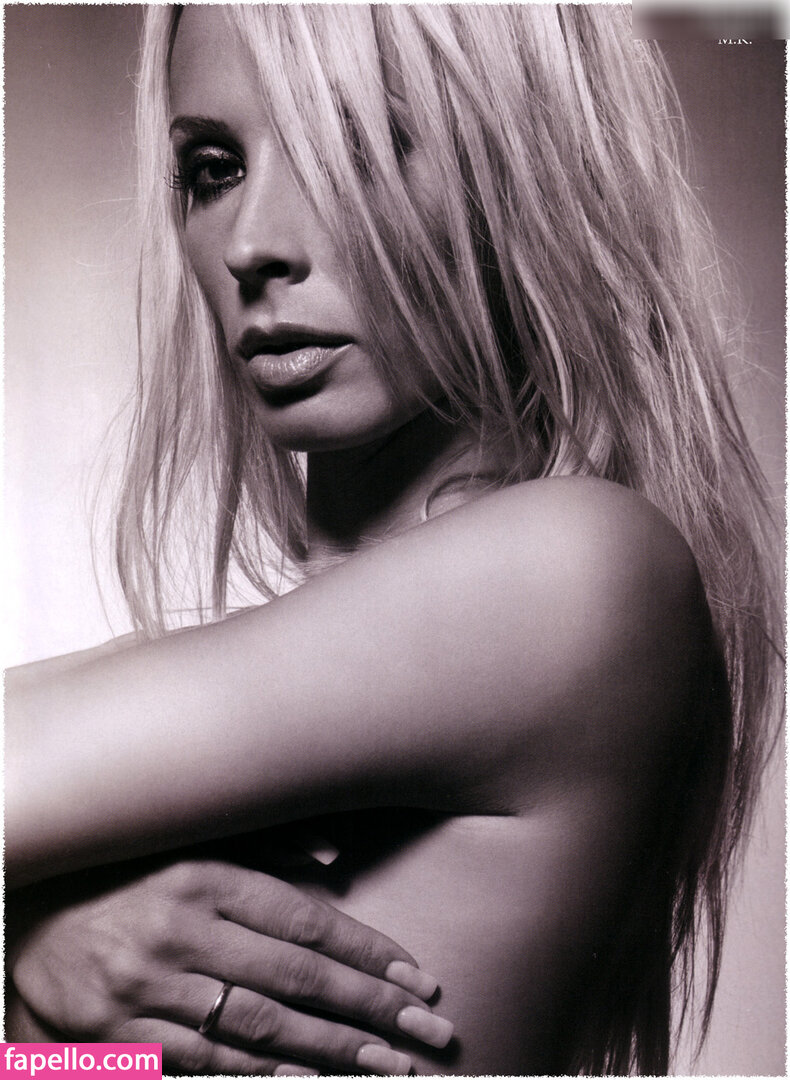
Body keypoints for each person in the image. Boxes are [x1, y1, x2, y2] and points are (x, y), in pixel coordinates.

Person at [4, 4, 782, 1076]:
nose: (252, 245)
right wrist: (24, 985)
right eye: (215, 169)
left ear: (521, 165)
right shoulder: (304, 676)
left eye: (352, 147)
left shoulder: (567, 570)